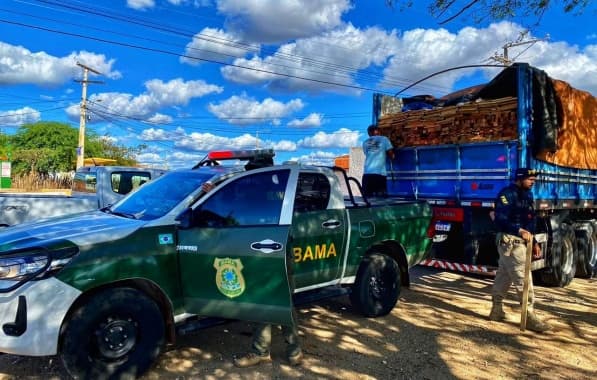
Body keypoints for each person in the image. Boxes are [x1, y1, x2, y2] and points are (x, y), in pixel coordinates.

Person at [200, 178, 303, 367]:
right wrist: (216, 194)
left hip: (275, 253)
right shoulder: (261, 194)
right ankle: (265, 351)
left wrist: (219, 195)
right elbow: (233, 216)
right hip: (258, 254)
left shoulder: (275, 195)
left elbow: (236, 216)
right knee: (262, 301)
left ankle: (291, 350)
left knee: (282, 302)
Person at [490, 168, 551, 332]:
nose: (533, 182)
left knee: (504, 275)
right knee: (523, 278)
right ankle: (529, 316)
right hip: (511, 243)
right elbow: (500, 219)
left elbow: (530, 220)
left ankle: (496, 310)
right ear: (520, 178)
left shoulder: (528, 195)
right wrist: (519, 230)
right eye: (530, 179)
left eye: (534, 179)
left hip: (522, 242)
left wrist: (535, 241)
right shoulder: (507, 194)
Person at [362, 124, 394, 197]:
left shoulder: (365, 142)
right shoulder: (384, 139)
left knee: (367, 199)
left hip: (367, 174)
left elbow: (367, 154)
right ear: (378, 131)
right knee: (380, 200)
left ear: (369, 133)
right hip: (379, 174)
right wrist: (392, 157)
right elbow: (391, 154)